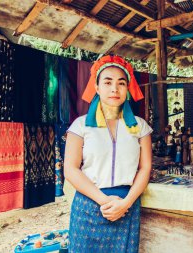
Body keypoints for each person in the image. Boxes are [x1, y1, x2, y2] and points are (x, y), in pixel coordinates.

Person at [64, 55, 152, 252]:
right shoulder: (80, 126)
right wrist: (106, 201)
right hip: (89, 205)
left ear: (127, 89)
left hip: (126, 206)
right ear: (96, 88)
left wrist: (126, 203)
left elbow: (145, 168)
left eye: (121, 83)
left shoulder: (140, 127)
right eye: (108, 82)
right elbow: (70, 169)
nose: (114, 88)